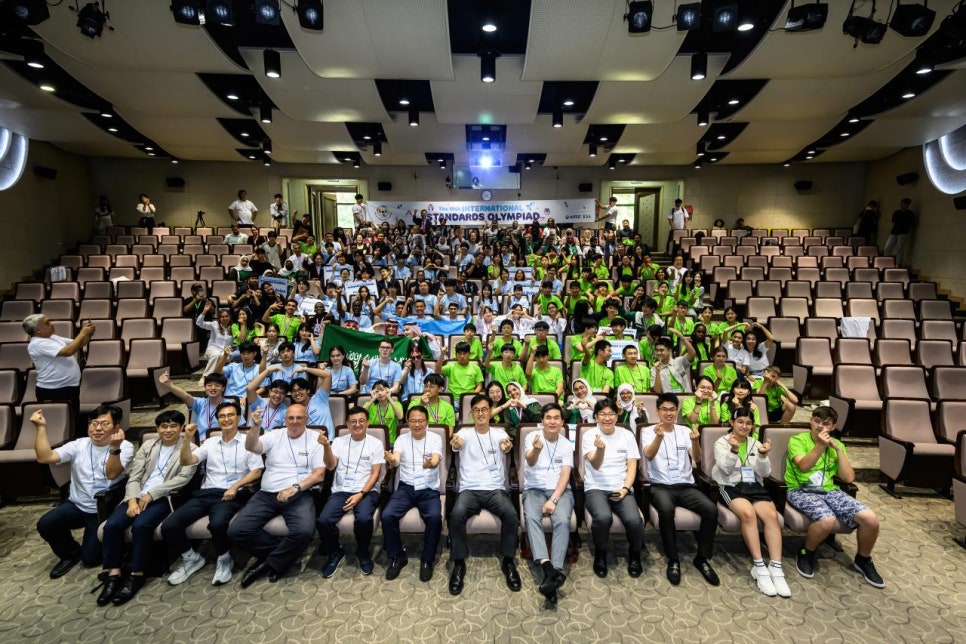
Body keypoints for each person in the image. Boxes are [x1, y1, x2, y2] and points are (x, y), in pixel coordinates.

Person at [97, 411, 198, 606]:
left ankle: (136, 574)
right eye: (164, 426)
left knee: (142, 526)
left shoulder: (189, 448)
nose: (168, 430)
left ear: (180, 428)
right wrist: (133, 499)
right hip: (137, 495)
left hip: (163, 498)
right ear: (158, 429)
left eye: (173, 426)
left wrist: (152, 495)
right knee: (112, 525)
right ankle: (113, 574)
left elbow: (182, 479)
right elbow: (134, 475)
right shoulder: (148, 445)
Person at [164, 401, 264, 586]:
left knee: (217, 524)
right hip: (206, 492)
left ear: (239, 418)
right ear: (217, 420)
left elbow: (257, 470)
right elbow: (187, 461)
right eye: (222, 416)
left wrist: (235, 486)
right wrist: (187, 439)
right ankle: (191, 558)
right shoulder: (210, 442)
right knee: (169, 525)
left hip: (232, 493)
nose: (226, 419)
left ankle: (224, 559)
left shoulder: (248, 441)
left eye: (230, 415)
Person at [228, 404, 326, 587]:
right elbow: (251, 446)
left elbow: (319, 474)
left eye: (299, 418)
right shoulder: (275, 434)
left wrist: (295, 487)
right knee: (237, 531)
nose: (295, 422)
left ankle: (268, 563)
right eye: (291, 418)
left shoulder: (315, 438)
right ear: (285, 419)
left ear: (306, 419)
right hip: (267, 493)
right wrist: (255, 427)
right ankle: (281, 556)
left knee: (304, 532)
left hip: (299, 494)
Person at [786, 406, 883, 588]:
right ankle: (807, 552)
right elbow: (804, 467)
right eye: (817, 421)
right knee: (827, 520)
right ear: (811, 421)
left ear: (833, 426)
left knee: (870, 519)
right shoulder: (797, 440)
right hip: (801, 490)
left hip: (830, 490)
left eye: (826, 423)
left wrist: (838, 451)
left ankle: (863, 559)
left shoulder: (837, 446)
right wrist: (820, 447)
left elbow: (848, 478)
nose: (820, 426)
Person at [32, 405, 133, 579]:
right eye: (94, 423)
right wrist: (41, 428)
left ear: (116, 428)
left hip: (103, 510)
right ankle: (69, 554)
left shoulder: (125, 446)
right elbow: (44, 457)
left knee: (91, 559)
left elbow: (112, 473)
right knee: (46, 523)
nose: (98, 428)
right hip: (76, 505)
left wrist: (114, 448)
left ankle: (97, 542)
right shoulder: (79, 444)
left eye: (104, 424)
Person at [641, 393, 719, 587]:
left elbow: (698, 459)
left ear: (677, 411)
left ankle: (702, 558)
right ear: (657, 411)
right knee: (666, 511)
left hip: (685, 485)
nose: (669, 413)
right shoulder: (648, 431)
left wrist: (695, 441)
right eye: (664, 409)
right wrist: (659, 438)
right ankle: (673, 559)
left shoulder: (684, 430)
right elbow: (649, 455)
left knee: (711, 509)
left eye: (672, 409)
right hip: (661, 486)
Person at [711, 407, 790, 597]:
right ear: (732, 423)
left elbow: (764, 473)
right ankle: (759, 566)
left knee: (771, 515)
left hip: (754, 485)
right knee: (748, 514)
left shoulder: (755, 443)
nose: (744, 426)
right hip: (729, 485)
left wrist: (762, 455)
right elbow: (725, 470)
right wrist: (733, 450)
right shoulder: (721, 442)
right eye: (740, 422)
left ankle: (776, 568)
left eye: (748, 423)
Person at [447, 394, 519, 596]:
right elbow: (456, 444)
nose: (481, 413)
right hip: (469, 488)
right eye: (476, 410)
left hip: (494, 488)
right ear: (471, 413)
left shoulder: (499, 433)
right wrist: (456, 444)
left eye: (484, 409)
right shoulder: (464, 432)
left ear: (490, 411)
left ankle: (508, 560)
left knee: (511, 514)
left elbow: (506, 444)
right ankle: (459, 562)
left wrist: (507, 446)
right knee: (457, 514)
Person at [317, 406, 385, 578]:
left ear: (367, 423)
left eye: (361, 421)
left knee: (363, 519)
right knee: (324, 520)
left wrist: (361, 494)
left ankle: (362, 552)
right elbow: (331, 466)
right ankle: (335, 552)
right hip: (341, 490)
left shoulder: (375, 443)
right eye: (353, 421)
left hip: (367, 491)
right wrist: (326, 446)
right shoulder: (339, 442)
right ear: (347, 424)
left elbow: (375, 474)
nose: (357, 424)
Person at [581, 398, 646, 579]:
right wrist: (600, 449)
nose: (607, 418)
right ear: (596, 417)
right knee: (603, 518)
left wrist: (625, 488)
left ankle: (634, 554)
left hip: (621, 486)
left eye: (611, 414)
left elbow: (632, 465)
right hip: (596, 487)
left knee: (634, 520)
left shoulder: (627, 435)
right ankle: (601, 553)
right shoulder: (589, 435)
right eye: (602, 414)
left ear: (617, 416)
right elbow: (594, 463)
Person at [381, 405, 444, 582]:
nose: (417, 424)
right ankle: (397, 556)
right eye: (413, 421)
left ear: (427, 422)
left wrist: (431, 463)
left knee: (434, 518)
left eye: (421, 421)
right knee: (387, 515)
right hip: (406, 487)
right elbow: (396, 460)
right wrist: (392, 460)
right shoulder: (401, 439)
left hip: (428, 488)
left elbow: (436, 459)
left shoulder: (435, 438)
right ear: (407, 422)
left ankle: (427, 559)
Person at [522, 403, 574, 603]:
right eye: (548, 417)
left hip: (560, 491)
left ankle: (555, 569)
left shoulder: (566, 444)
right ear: (542, 420)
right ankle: (547, 567)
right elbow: (530, 460)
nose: (552, 421)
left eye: (556, 418)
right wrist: (535, 449)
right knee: (532, 518)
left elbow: (566, 474)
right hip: (534, 489)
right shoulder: (532, 437)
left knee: (562, 520)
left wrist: (553, 499)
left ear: (562, 422)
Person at [23, 314, 94, 426]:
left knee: (72, 421)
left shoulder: (53, 337)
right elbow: (67, 352)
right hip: (54, 390)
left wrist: (88, 334)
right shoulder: (37, 344)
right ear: (38, 330)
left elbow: (78, 344)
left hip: (69, 387)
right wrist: (83, 333)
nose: (52, 324)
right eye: (47, 323)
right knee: (59, 424)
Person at [160, 371, 230, 440]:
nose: (213, 388)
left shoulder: (230, 406)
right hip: (200, 442)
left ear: (223, 388)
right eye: (209, 385)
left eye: (217, 385)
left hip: (222, 441)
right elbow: (185, 396)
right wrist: (169, 385)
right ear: (205, 387)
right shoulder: (200, 403)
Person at [436, 341, 484, 411]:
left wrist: (470, 396)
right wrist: (442, 354)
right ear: (456, 355)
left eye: (465, 353)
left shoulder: (476, 368)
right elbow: (437, 371)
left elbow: (479, 386)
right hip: (453, 399)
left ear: (469, 354)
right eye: (459, 353)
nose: (462, 356)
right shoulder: (451, 366)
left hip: (470, 398)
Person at [883, 198, 916, 266]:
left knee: (900, 249)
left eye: (905, 204)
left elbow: (912, 224)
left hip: (903, 232)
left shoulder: (910, 214)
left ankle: (897, 264)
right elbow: (893, 222)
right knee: (887, 247)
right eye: (903, 203)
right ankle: (887, 263)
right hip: (894, 232)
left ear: (908, 205)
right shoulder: (896, 212)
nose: (903, 205)